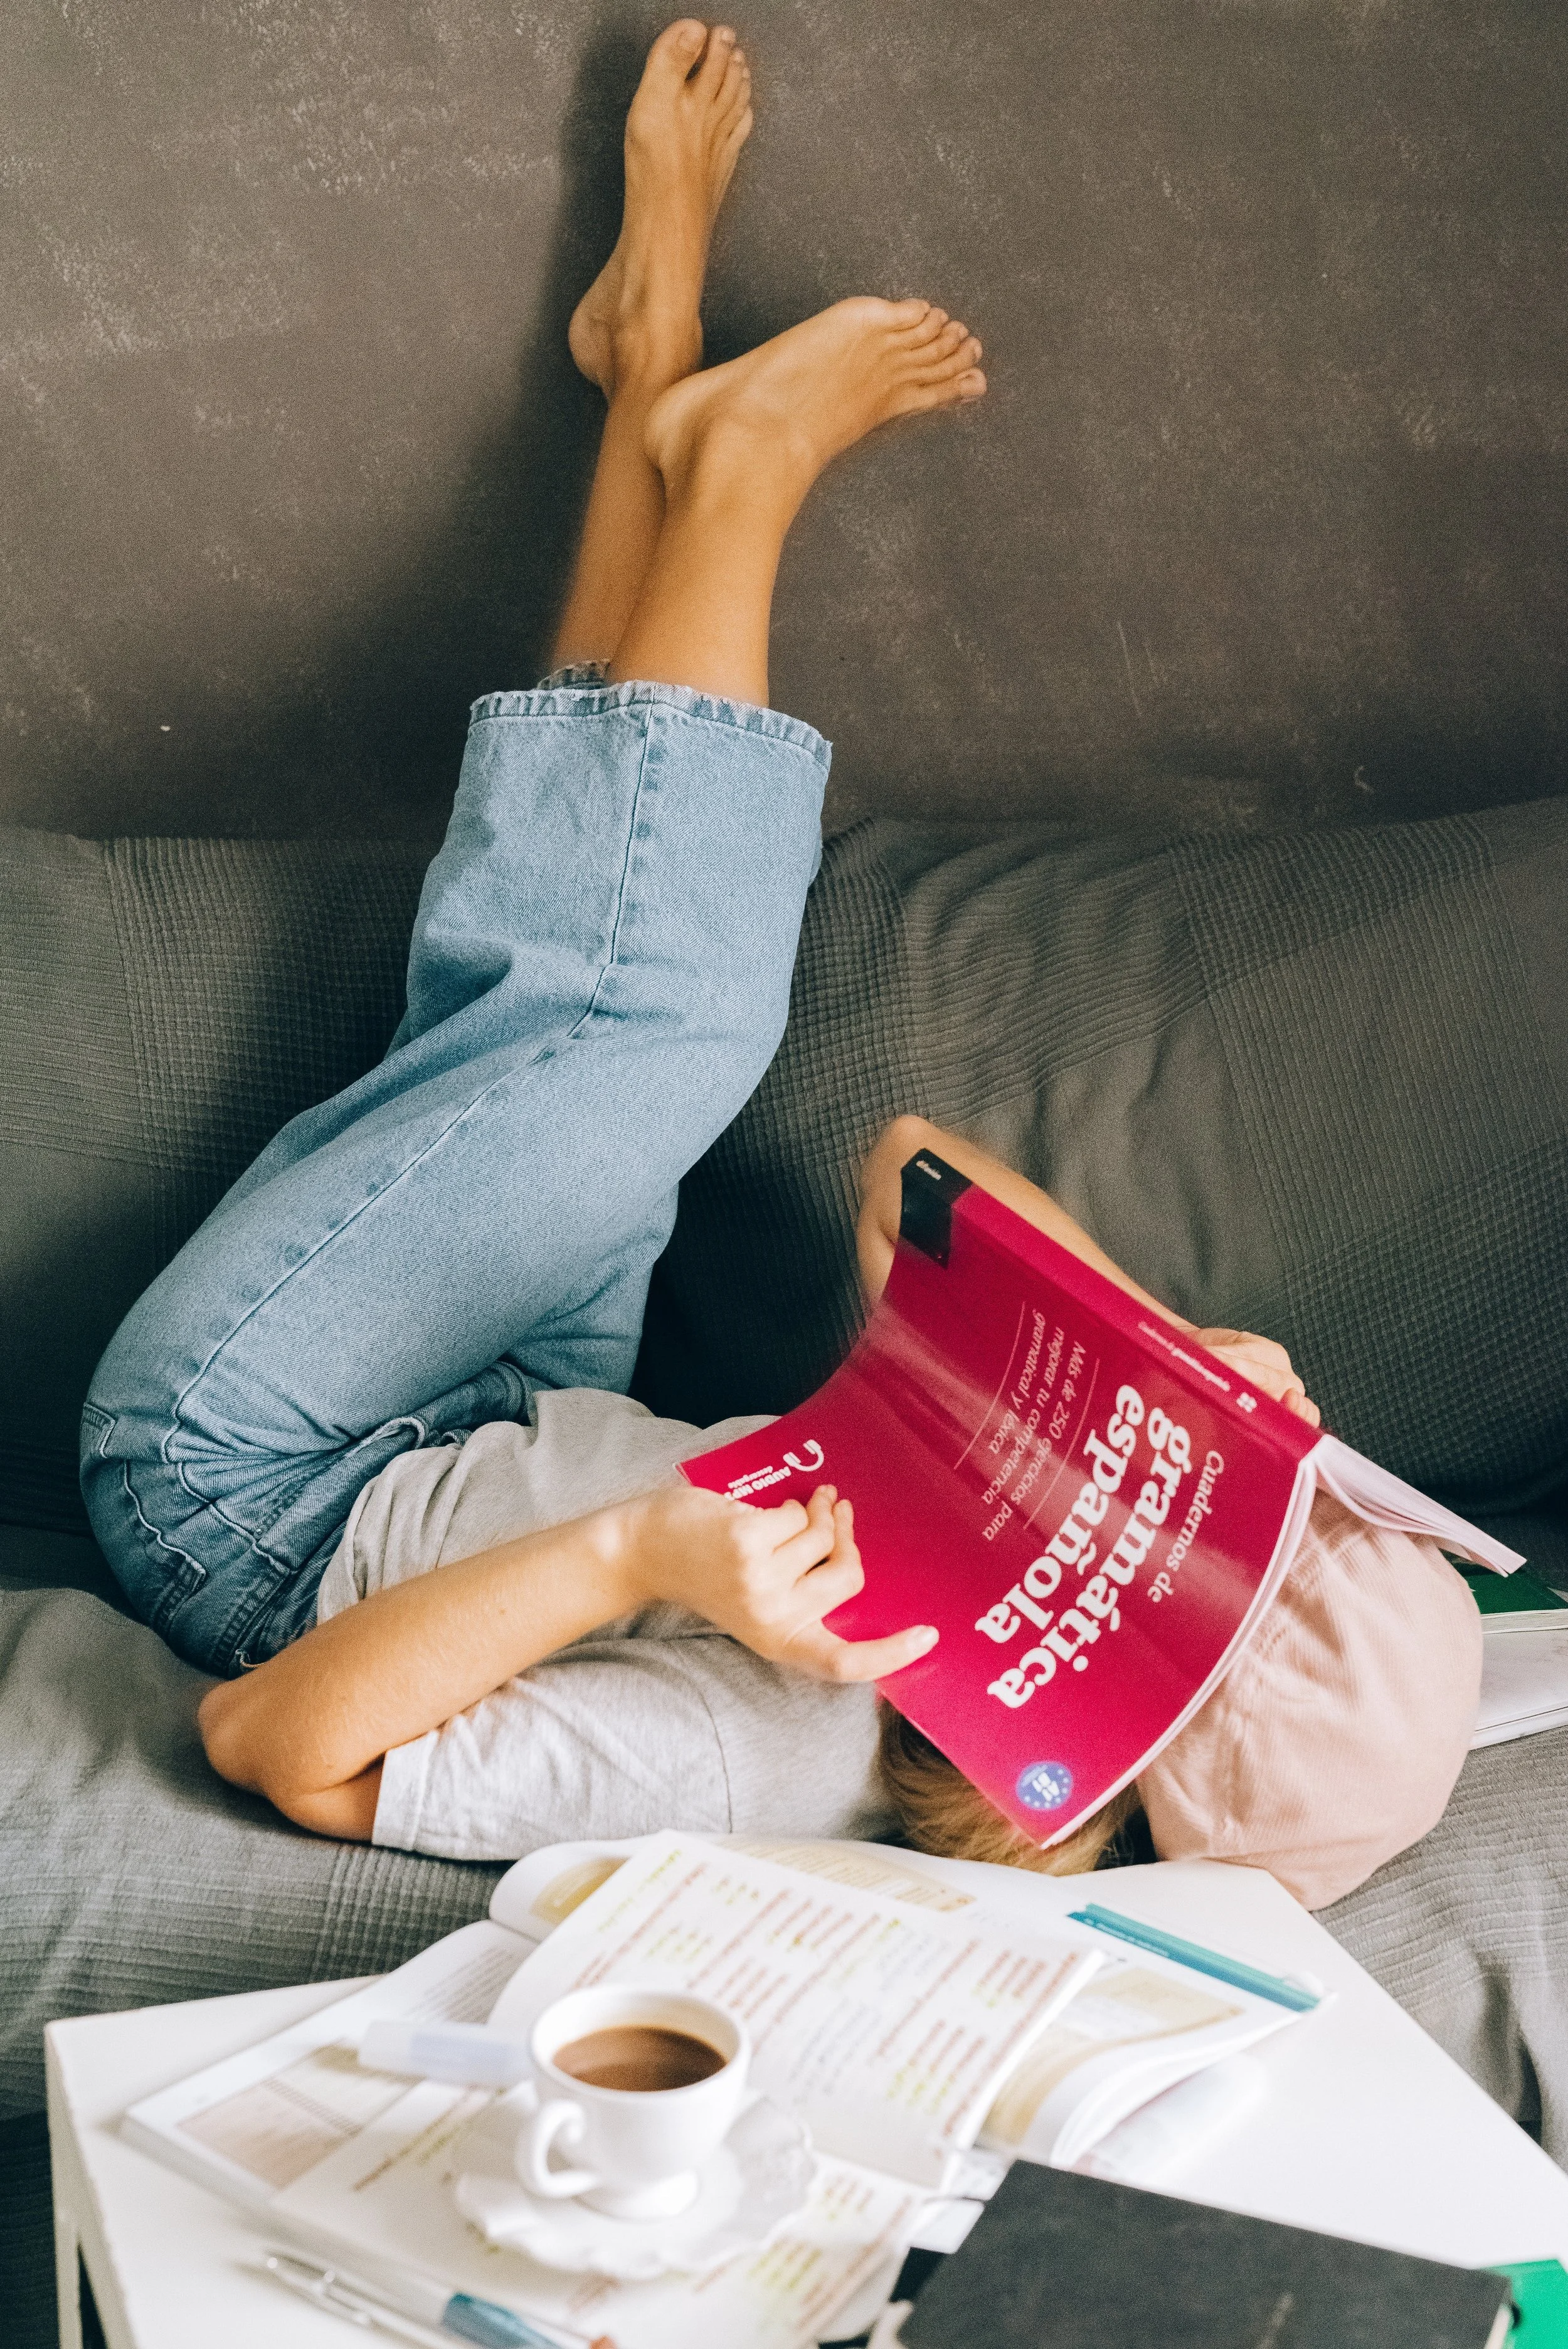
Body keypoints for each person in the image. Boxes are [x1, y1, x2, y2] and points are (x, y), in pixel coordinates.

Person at [81, 21, 1481, 1911]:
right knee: (561, 1003)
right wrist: (1162, 1387)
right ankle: (642, 389)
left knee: (657, 1018)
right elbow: (910, 1178)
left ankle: (733, 461)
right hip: (505, 1408)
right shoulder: (984, 1547)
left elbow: (276, 1747)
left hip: (260, 1487)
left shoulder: (781, 1743)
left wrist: (636, 1565)